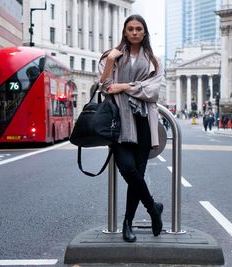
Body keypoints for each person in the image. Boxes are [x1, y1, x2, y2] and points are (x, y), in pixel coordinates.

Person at [98, 14, 163, 243]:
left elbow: (152, 91)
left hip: (143, 121)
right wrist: (109, 63)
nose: (134, 32)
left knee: (139, 173)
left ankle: (127, 223)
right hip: (119, 123)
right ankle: (153, 208)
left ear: (144, 33)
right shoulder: (112, 56)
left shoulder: (153, 60)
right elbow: (105, 88)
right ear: (125, 32)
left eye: (138, 29)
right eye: (130, 29)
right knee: (128, 170)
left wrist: (124, 86)